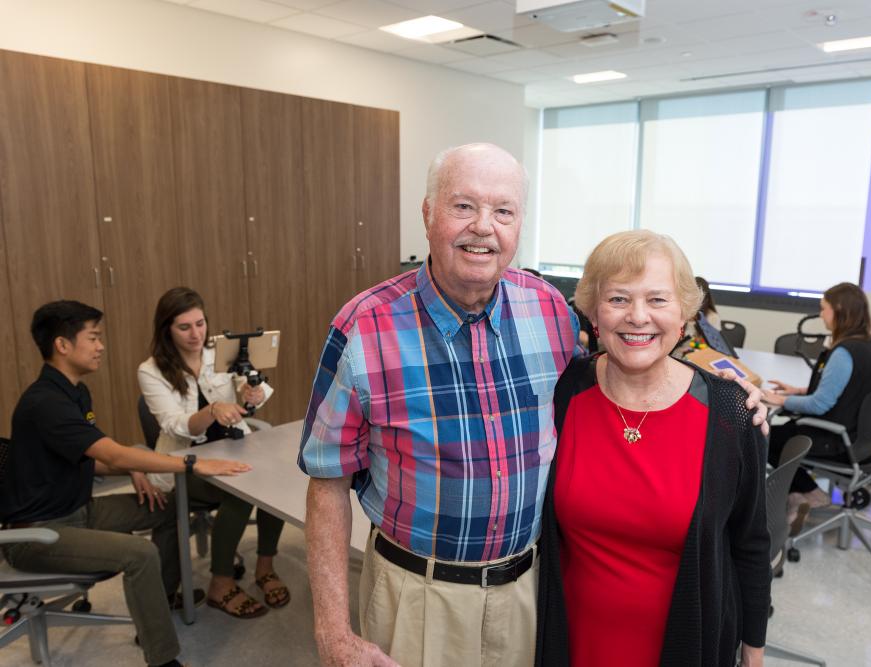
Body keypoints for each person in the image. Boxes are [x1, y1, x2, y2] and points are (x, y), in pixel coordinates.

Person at [299, 143, 768, 667]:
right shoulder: (363, 327)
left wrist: (726, 391)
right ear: (428, 213)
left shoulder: (548, 311)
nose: (484, 227)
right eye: (463, 206)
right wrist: (333, 630)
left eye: (504, 211)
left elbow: (633, 354)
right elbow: (327, 483)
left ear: (519, 224)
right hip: (418, 593)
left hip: (530, 596)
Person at [534, 231, 769, 667]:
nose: (637, 317)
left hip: (687, 645)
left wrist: (753, 651)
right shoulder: (562, 394)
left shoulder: (731, 415)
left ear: (684, 315)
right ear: (593, 314)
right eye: (618, 299)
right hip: (571, 644)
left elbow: (750, 542)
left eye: (657, 300)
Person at [0, 300, 249, 667]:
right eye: (93, 337)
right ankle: (163, 658)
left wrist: (133, 469)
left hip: (78, 509)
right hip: (40, 533)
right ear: (62, 345)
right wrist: (190, 462)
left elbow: (94, 456)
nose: (101, 346)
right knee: (140, 554)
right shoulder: (45, 402)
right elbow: (113, 454)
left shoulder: (75, 392)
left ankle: (158, 604)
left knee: (165, 508)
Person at [138, 287, 289, 619]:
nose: (196, 334)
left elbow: (255, 396)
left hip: (233, 445)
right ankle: (221, 584)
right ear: (166, 329)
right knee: (243, 491)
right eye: (184, 327)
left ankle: (265, 567)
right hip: (185, 462)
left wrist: (252, 393)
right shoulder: (151, 370)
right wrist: (214, 409)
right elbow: (176, 424)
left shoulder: (218, 352)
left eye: (200, 323)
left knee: (275, 480)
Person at [762, 283, 871, 529]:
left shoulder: (844, 351)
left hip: (836, 439)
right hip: (863, 437)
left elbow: (820, 404)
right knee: (781, 433)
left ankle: (811, 493)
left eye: (823, 309)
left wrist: (780, 400)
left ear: (839, 310)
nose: (821, 314)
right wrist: (798, 391)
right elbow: (854, 388)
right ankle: (799, 494)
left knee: (763, 437)